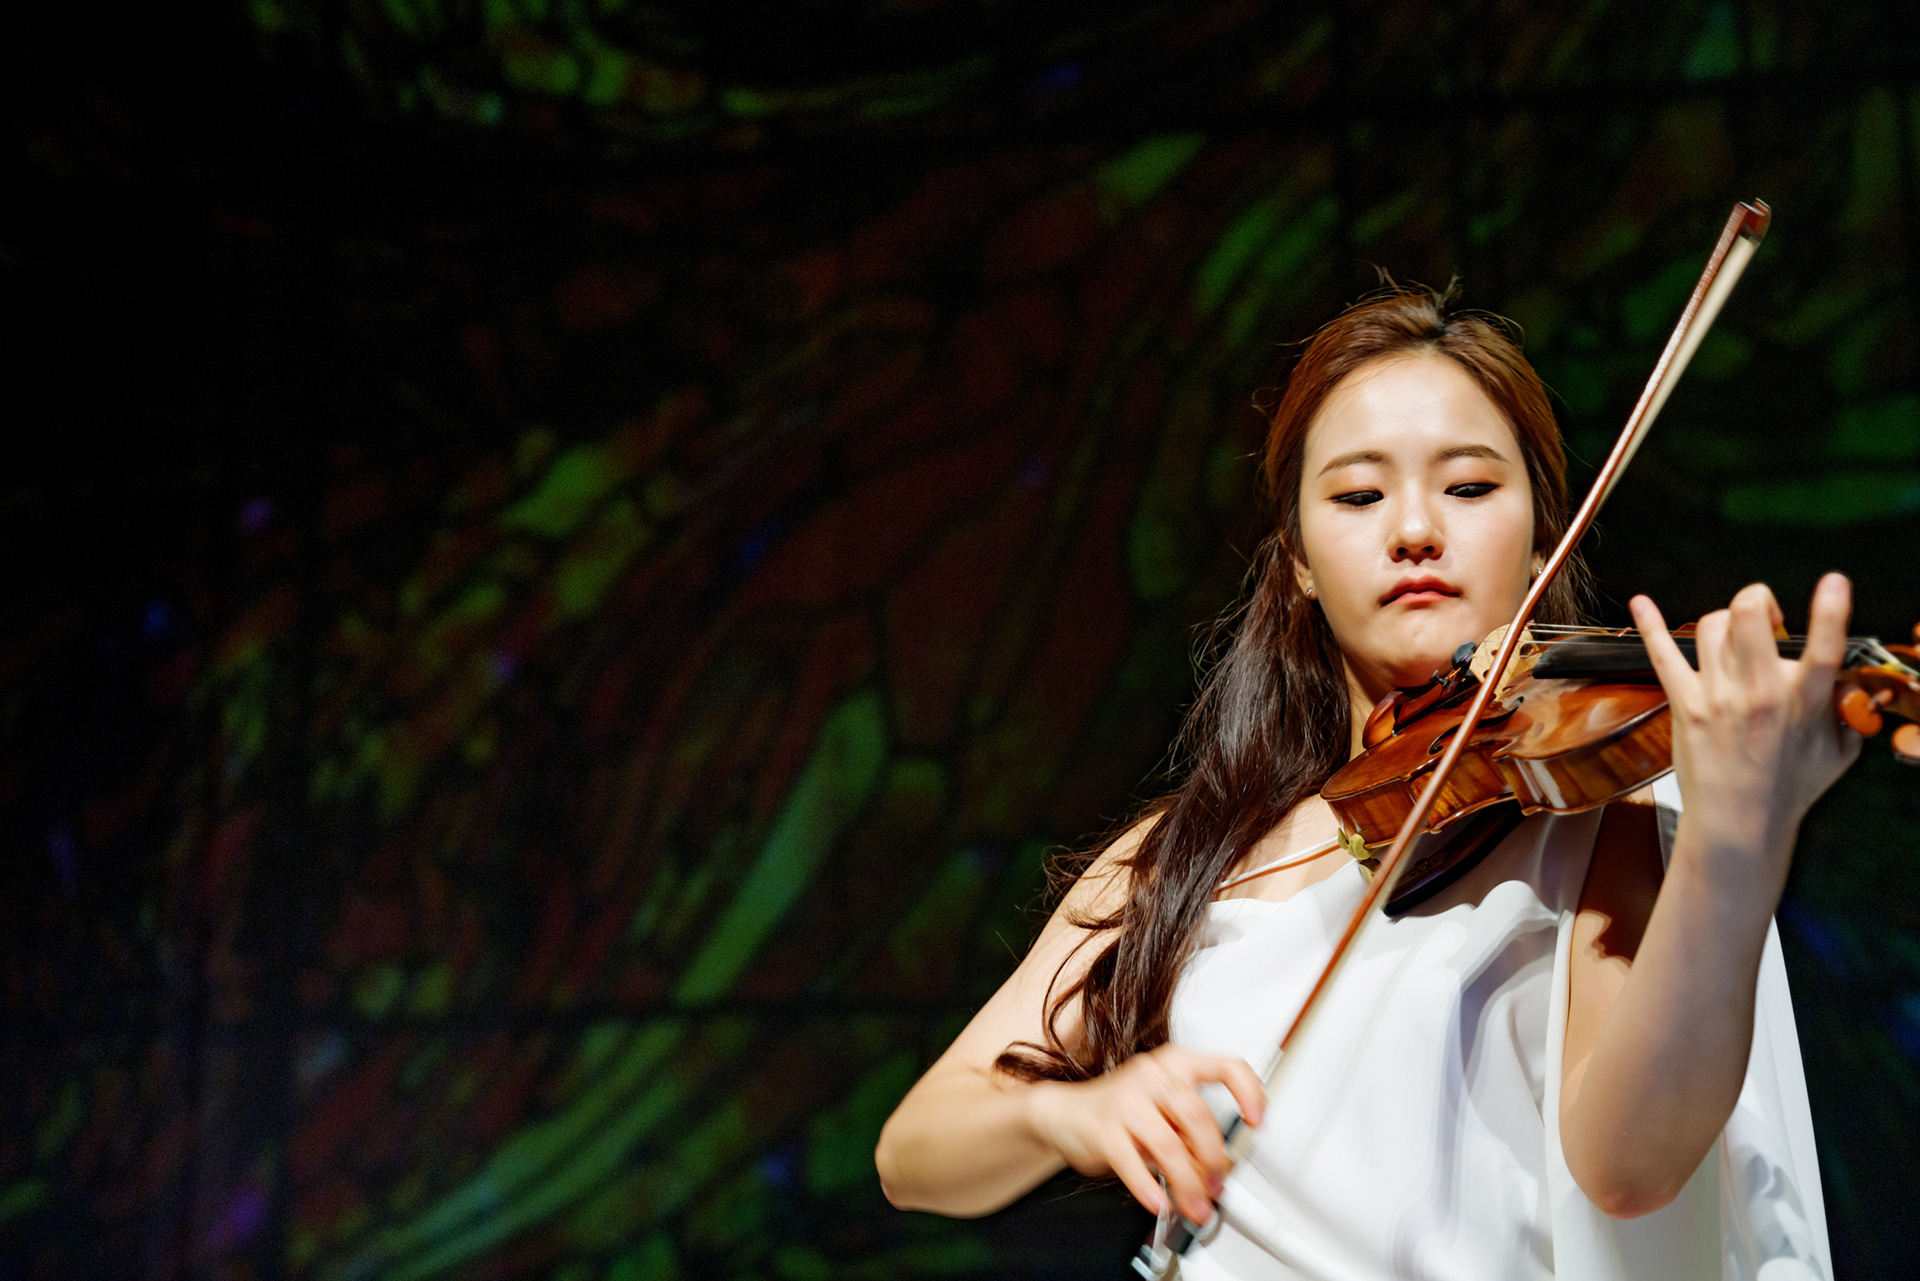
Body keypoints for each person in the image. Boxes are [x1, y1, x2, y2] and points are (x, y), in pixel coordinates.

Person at [874, 287, 1849, 1280]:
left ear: (1542, 539)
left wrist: (1735, 847)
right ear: (1297, 558)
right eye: (1357, 496)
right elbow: (915, 1153)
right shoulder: (1186, 853)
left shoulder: (1610, 815)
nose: (1415, 529)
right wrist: (1066, 1113)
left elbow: (1630, 1170)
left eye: (1469, 487)